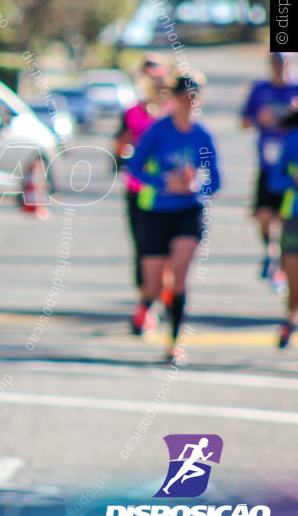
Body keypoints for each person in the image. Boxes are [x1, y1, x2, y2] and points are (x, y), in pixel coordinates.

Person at [128, 74, 221, 363]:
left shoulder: (202, 136)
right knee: (154, 285)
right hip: (156, 211)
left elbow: (215, 180)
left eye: (194, 97)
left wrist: (195, 187)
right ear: (174, 99)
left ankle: (174, 343)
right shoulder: (159, 131)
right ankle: (146, 303)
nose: (189, 103)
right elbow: (134, 167)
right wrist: (164, 182)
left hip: (188, 211)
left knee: (179, 277)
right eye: (183, 97)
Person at [116, 55, 173, 335]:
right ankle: (147, 305)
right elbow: (120, 146)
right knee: (144, 252)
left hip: (173, 196)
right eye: (147, 77)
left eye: (157, 77)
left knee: (172, 254)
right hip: (138, 193)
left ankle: (163, 302)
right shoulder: (132, 112)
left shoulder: (173, 113)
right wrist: (127, 151)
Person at [240, 52, 298, 285]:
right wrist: (258, 119)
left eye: (283, 63)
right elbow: (243, 122)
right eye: (275, 63)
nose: (279, 68)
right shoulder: (259, 90)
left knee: (287, 219)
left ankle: (284, 266)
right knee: (264, 216)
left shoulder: (296, 89)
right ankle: (270, 250)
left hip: (292, 169)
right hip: (267, 165)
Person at [266, 108, 298, 349]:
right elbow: (274, 181)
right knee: (294, 280)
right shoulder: (292, 140)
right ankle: (290, 318)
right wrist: (293, 181)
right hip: (294, 217)